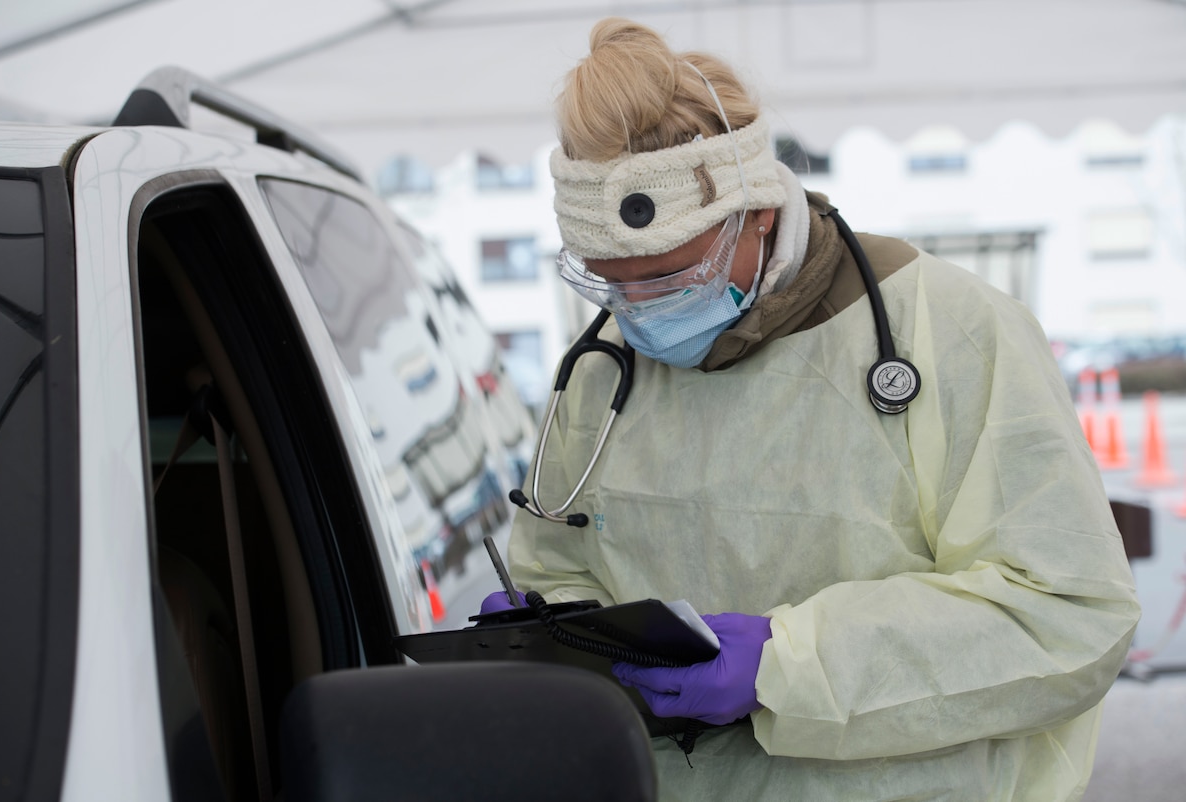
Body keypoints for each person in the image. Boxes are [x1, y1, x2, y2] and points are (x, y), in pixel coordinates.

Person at [483, 17, 1140, 801]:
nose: (640, 310)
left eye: (668, 277)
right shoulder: (601, 371)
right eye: (610, 282)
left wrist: (787, 666)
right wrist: (549, 633)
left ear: (758, 209)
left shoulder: (949, 329)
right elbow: (559, 565)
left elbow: (1068, 613)